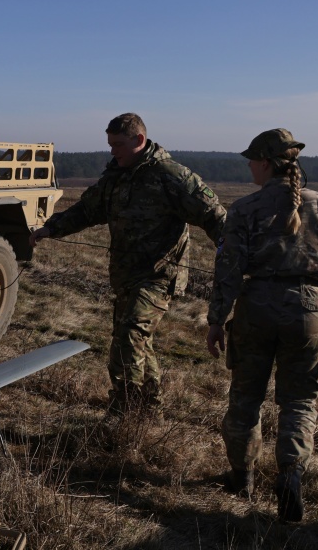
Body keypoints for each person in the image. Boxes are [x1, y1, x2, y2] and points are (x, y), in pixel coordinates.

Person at [206, 128, 318, 522]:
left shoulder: (243, 209)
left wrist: (215, 321)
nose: (248, 169)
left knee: (245, 399)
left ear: (264, 163)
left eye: (250, 162)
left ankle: (242, 478)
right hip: (309, 308)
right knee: (299, 401)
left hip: (255, 308)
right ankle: (290, 475)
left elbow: (228, 270)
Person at [31, 113, 226, 414]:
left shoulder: (172, 176)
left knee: (130, 336)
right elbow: (86, 210)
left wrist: (235, 259)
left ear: (139, 140)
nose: (113, 151)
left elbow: (215, 217)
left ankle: (126, 413)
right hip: (125, 276)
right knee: (137, 341)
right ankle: (150, 408)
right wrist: (49, 229)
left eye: (118, 145)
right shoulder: (116, 175)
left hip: (159, 276)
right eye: (109, 145)